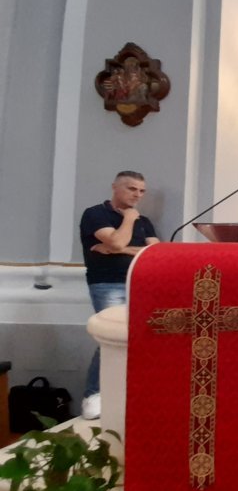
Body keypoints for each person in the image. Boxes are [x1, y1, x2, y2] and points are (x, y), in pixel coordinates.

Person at [79, 171, 160, 419]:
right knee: (110, 335)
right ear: (115, 187)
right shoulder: (96, 214)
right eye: (131, 189)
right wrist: (129, 219)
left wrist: (120, 249)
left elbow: (155, 252)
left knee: (140, 337)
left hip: (140, 283)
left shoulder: (145, 221)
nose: (137, 195)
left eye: (142, 191)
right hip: (108, 283)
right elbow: (115, 242)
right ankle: (94, 394)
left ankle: (131, 393)